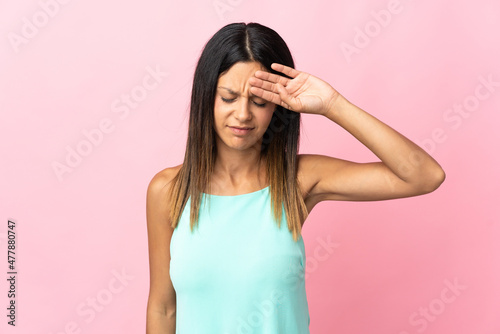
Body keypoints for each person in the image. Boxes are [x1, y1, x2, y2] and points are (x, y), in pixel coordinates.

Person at [145, 22, 445, 334]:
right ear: (206, 97)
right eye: (229, 97)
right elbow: (164, 309)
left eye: (260, 101)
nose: (243, 114)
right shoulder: (168, 190)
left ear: (278, 106)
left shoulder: (298, 180)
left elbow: (424, 175)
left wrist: (332, 104)